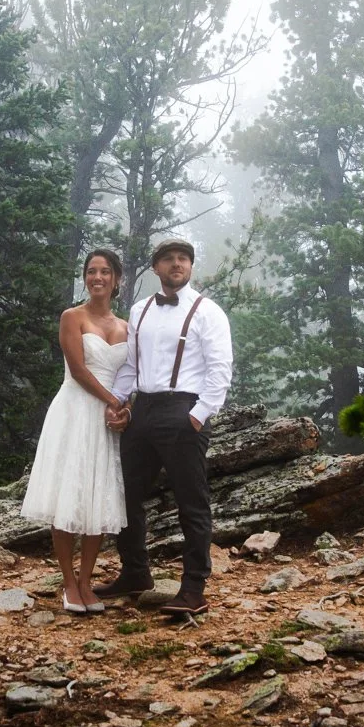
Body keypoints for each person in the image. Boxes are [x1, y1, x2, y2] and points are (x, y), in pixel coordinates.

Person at [98, 239, 234, 616]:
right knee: (123, 493)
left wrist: (199, 413)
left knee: (191, 502)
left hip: (183, 410)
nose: (177, 264)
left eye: (183, 259)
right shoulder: (140, 310)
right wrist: (117, 401)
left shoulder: (208, 312)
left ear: (190, 266)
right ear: (156, 267)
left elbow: (220, 368)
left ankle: (193, 589)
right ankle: (136, 573)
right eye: (168, 259)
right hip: (143, 410)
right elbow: (130, 365)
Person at [20, 249, 130, 613]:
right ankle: (68, 583)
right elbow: (79, 370)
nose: (96, 277)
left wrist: (124, 409)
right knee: (69, 493)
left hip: (106, 418)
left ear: (116, 279)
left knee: (98, 495)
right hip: (74, 410)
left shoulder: (126, 328)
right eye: (90, 271)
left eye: (104, 271)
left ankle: (86, 581)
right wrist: (113, 400)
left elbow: (130, 378)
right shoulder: (72, 317)